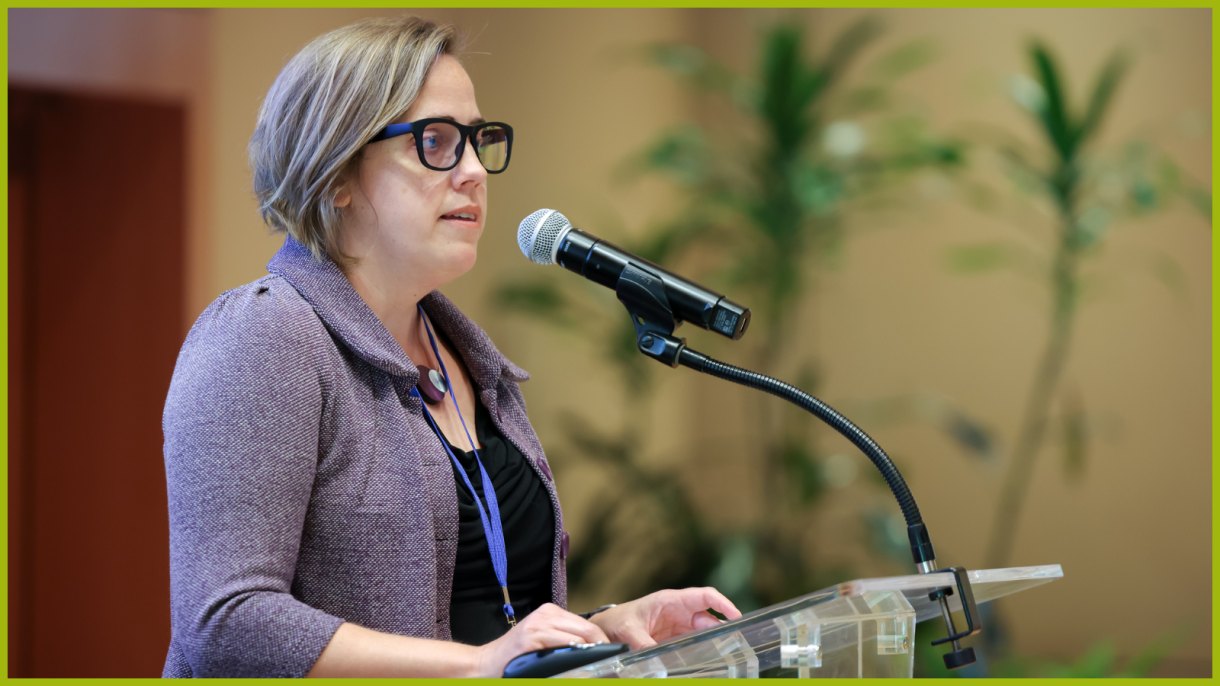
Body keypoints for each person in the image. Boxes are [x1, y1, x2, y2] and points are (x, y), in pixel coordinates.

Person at [162, 15, 740, 678]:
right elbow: (227, 623)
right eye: (435, 141)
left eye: (479, 140)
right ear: (336, 173)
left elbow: (481, 618)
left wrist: (601, 628)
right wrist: (477, 664)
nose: (472, 171)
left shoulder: (466, 357)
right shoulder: (267, 337)